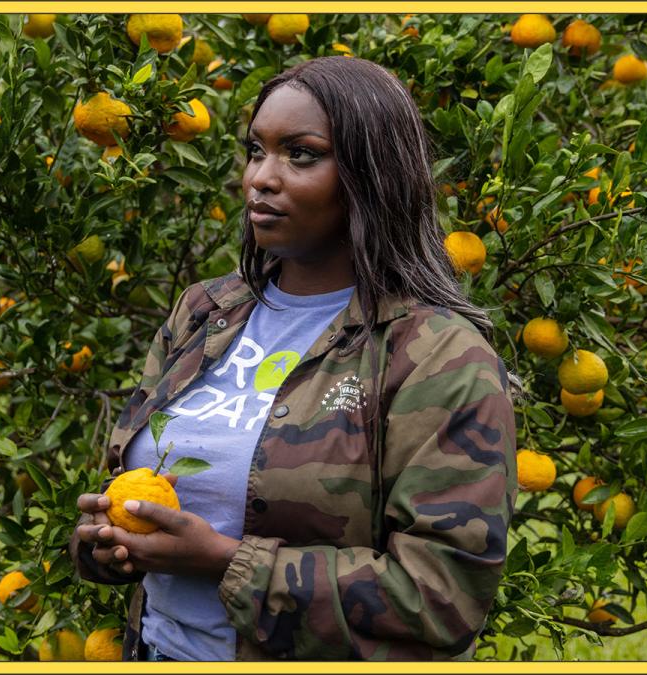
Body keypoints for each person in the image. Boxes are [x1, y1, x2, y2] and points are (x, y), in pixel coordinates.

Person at [70, 56, 517, 661]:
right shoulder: (205, 312)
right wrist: (107, 541)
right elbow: (131, 476)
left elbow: (444, 591)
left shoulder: (435, 354)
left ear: (372, 174)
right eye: (256, 151)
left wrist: (224, 561)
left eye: (300, 154)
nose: (261, 177)